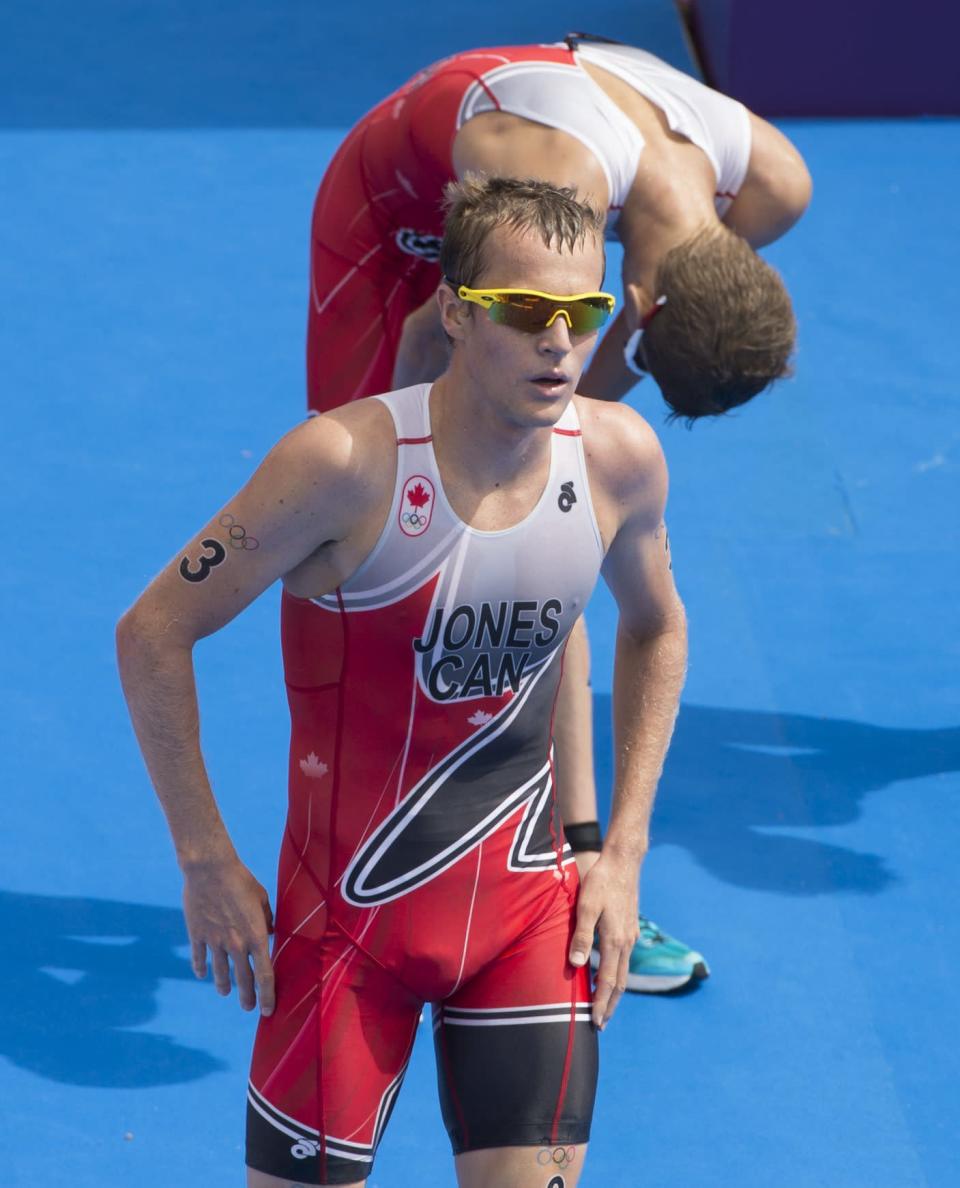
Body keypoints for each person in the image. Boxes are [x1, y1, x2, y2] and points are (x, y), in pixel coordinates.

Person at [117, 177, 688, 1187]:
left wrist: (620, 848)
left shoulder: (618, 461)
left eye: (584, 312)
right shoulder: (343, 466)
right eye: (526, 313)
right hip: (345, 941)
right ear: (460, 314)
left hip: (527, 917)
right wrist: (205, 860)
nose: (561, 342)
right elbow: (154, 631)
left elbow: (653, 627)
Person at [304, 33, 810, 991]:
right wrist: (414, 493)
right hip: (396, 216)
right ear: (645, 310)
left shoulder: (775, 185)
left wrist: (556, 490)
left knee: (552, 536)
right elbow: (426, 341)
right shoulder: (559, 191)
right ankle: (356, 858)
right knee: (374, 554)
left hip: (544, 203)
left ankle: (562, 864)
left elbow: (599, 387)